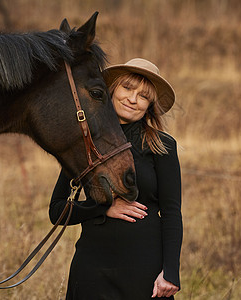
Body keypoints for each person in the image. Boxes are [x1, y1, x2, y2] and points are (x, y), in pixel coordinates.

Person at [49, 58, 182, 299]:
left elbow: (172, 212)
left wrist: (171, 272)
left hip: (145, 270)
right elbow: (57, 211)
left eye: (143, 96)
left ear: (149, 106)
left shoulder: (162, 146)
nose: (133, 99)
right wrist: (102, 208)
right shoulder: (85, 141)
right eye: (128, 88)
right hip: (93, 268)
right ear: (112, 90)